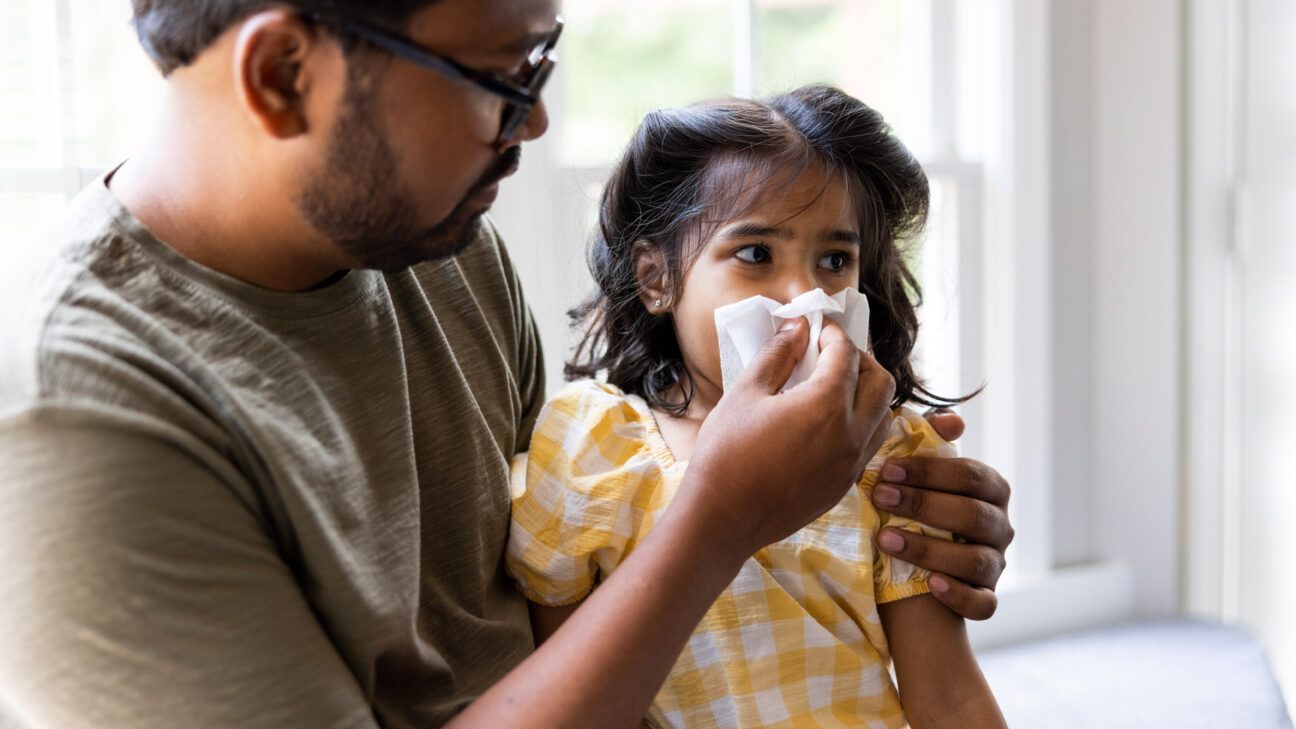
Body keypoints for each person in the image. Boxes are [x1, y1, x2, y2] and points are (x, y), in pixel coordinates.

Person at [0, 1, 1015, 727]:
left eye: (544, 63)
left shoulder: (435, 242)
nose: (532, 122)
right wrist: (724, 518)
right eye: (502, 74)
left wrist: (871, 529)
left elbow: (562, 596)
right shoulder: (76, 416)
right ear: (282, 75)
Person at [505, 86, 1008, 729]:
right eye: (755, 255)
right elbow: (564, 682)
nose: (804, 296)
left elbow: (950, 693)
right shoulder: (591, 450)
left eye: (834, 260)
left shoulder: (888, 459)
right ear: (657, 278)